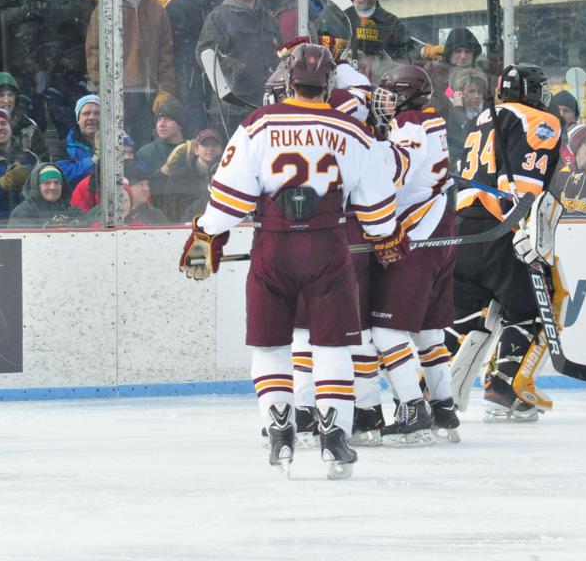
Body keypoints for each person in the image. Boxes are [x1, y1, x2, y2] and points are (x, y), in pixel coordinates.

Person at [178, 43, 406, 479]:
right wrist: (386, 236)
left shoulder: (259, 124)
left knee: (270, 345)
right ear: (330, 82)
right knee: (333, 346)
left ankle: (279, 430)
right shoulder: (353, 130)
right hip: (328, 248)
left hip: (273, 248)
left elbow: (227, 198)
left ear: (287, 80)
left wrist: (206, 234)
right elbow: (377, 210)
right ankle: (333, 438)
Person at [451, 63, 561, 422]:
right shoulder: (539, 120)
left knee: (464, 319)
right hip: (501, 228)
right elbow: (523, 186)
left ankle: (430, 397)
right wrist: (523, 229)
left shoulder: (486, 116)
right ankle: (505, 389)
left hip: (465, 227)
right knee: (534, 306)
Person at [368, 64, 460, 443]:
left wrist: (366, 150)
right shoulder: (431, 120)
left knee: (384, 329)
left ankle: (412, 408)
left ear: (406, 96)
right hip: (441, 234)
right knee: (427, 331)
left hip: (418, 237)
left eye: (390, 93)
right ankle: (444, 408)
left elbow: (394, 172)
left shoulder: (409, 123)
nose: (383, 100)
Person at [0, 0, 86, 139]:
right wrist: (24, 11)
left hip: (58, 62)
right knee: (29, 120)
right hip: (21, 62)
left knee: (63, 119)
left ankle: (68, 153)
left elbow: (76, 13)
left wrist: (47, 10)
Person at [86, 0, 176, 148]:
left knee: (144, 143)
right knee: (114, 145)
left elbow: (166, 54)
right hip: (116, 92)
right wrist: (101, 82)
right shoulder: (106, 8)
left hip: (147, 93)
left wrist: (166, 89)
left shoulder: (157, 11)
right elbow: (93, 49)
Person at [195, 0, 282, 133]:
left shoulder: (269, 18)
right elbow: (204, 54)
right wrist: (237, 69)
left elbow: (281, 53)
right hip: (232, 107)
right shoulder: (218, 17)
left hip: (266, 104)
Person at [166, 0, 227, 136]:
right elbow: (174, 49)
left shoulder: (215, 4)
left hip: (209, 79)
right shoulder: (178, 7)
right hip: (189, 82)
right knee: (195, 129)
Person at [314, 0, 413, 62]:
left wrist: (381, 59)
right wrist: (332, 45)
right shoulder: (330, 15)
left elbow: (407, 57)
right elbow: (311, 45)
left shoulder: (392, 24)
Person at [148, 122, 225, 222]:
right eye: (205, 144)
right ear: (196, 150)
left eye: (215, 145)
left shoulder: (230, 178)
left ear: (222, 150)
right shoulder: (178, 179)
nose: (211, 149)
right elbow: (169, 213)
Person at [0, 106, 38, 223]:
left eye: (3, 123)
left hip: (27, 223)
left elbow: (41, 191)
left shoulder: (30, 157)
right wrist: (2, 183)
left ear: (10, 127)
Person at [0, 71, 51, 161]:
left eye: (10, 95)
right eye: (1, 95)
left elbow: (44, 160)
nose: (6, 100)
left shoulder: (29, 127)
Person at [8, 162, 81, 227]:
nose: (52, 187)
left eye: (57, 183)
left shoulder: (73, 211)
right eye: (47, 183)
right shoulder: (23, 213)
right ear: (36, 186)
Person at [57, 94, 99, 187]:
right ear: (78, 119)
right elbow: (63, 174)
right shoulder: (63, 146)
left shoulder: (118, 141)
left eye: (97, 113)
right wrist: (93, 161)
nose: (92, 117)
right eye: (86, 113)